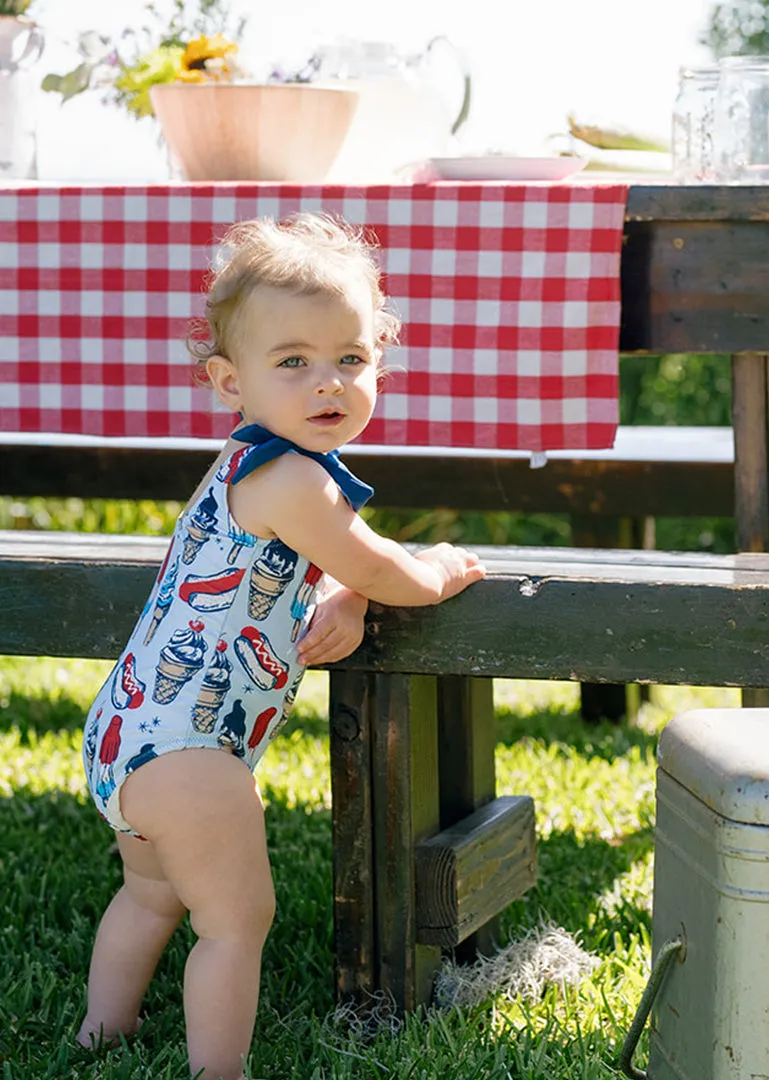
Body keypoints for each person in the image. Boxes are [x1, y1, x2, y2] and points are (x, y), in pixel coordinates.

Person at [76, 212, 485, 1080]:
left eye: (350, 358)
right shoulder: (298, 479)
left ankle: (99, 1035)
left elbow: (327, 571)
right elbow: (392, 571)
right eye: (292, 361)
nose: (326, 382)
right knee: (233, 922)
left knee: (151, 897)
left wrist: (349, 595)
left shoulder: (249, 462)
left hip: (128, 730)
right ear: (232, 381)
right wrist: (439, 565)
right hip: (190, 751)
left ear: (379, 358)